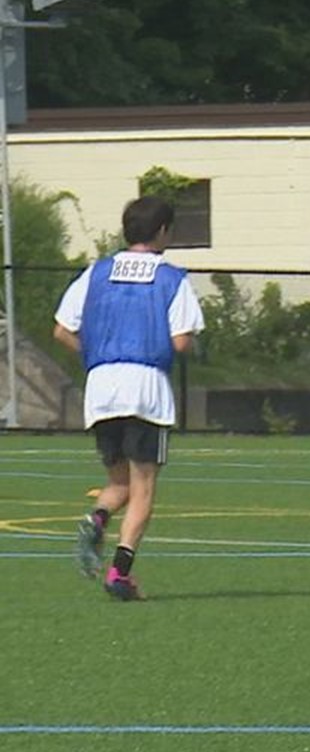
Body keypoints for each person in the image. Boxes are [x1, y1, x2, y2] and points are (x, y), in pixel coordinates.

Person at [56, 195, 207, 602]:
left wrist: (96, 352)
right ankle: (119, 574)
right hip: (146, 387)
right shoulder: (172, 278)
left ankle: (97, 516)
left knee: (117, 482)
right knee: (143, 489)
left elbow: (61, 329)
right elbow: (180, 341)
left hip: (101, 385)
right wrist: (197, 346)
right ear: (162, 232)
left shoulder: (96, 272)